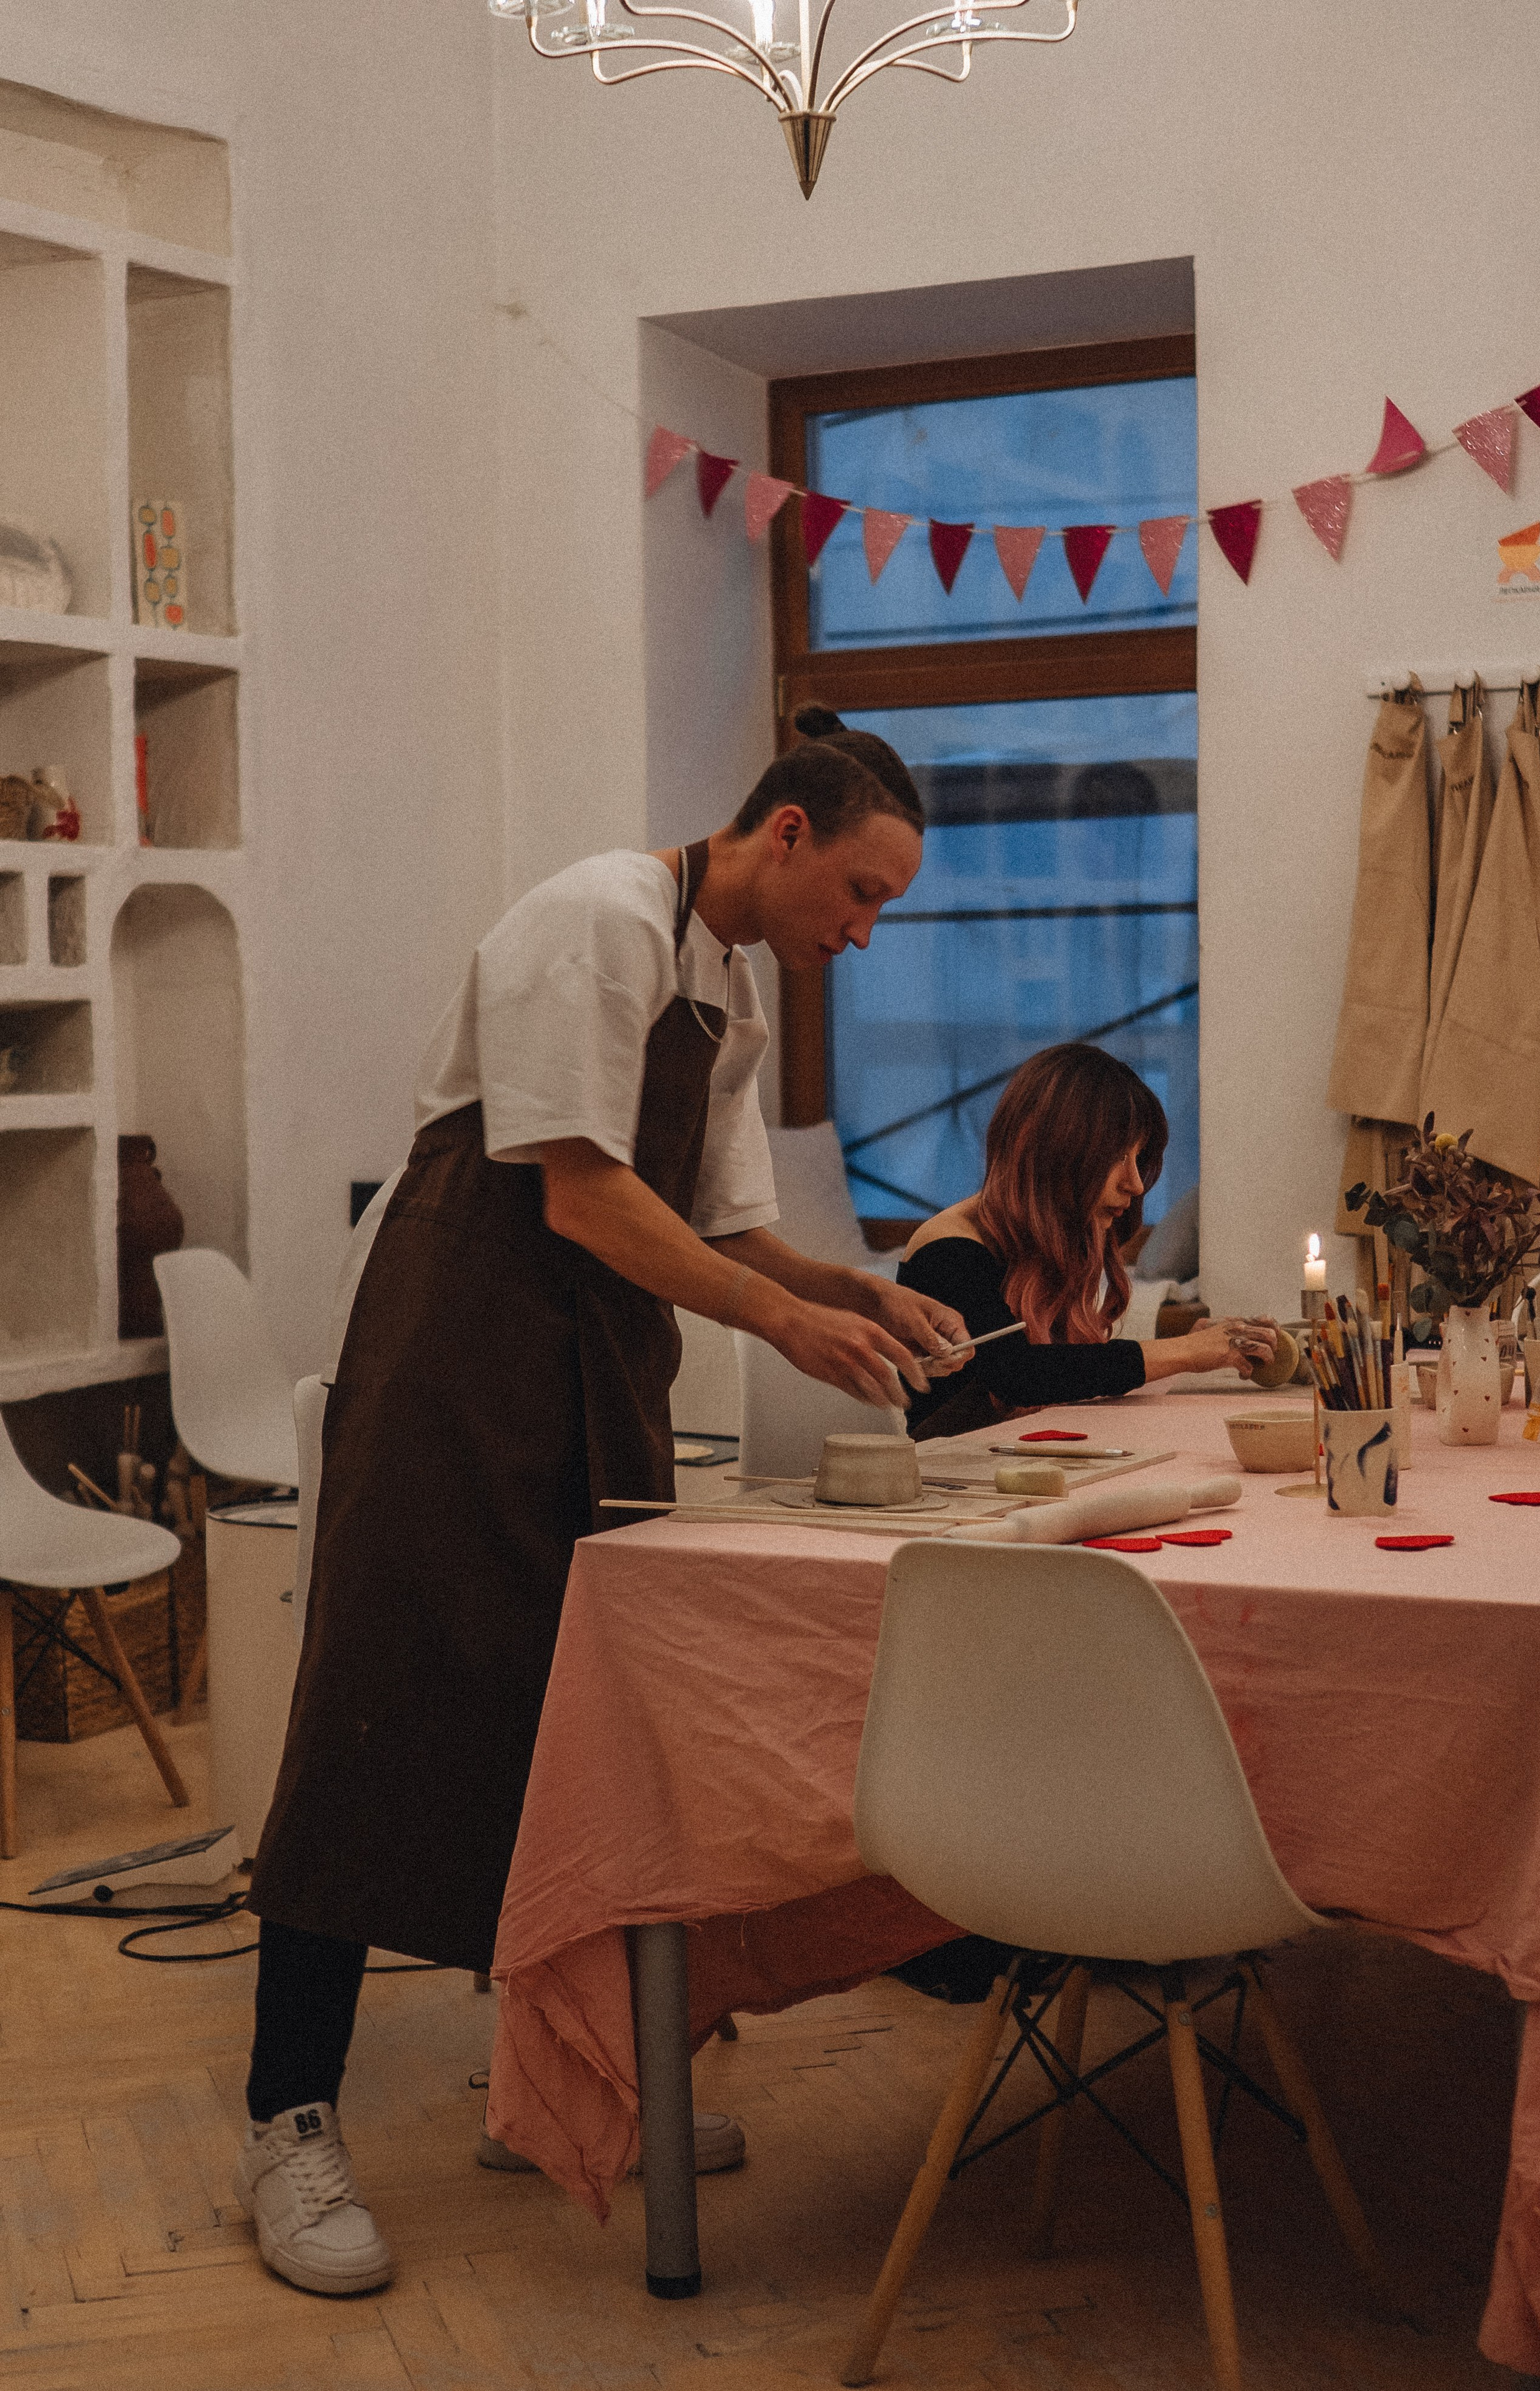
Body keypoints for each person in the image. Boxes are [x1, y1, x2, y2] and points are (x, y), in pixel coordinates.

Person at [233, 707, 969, 2296]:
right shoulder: (595, 919)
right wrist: (782, 1324)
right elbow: (576, 1188)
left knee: (584, 1723)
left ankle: (550, 2083)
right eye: (857, 890)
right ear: (781, 834)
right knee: (381, 1717)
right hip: (457, 1348)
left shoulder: (733, 987)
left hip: (596, 1365)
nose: (861, 929)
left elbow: (720, 1224)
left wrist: (854, 1289)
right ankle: (285, 2114)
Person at [896, 1042, 1275, 1440]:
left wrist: (1191, 1346)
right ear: (1059, 1152)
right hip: (951, 1480)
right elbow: (1018, 1374)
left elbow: (1068, 1371)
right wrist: (1186, 1352)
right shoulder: (948, 1248)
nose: (1136, 1183)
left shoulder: (1053, 1237)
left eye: (1138, 1157)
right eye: (1117, 1158)